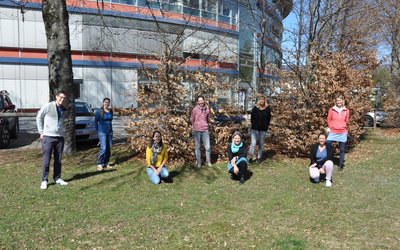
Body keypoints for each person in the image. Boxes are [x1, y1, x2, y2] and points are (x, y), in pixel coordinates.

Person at [36, 91, 69, 190]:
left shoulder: (63, 109)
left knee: (58, 160)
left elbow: (62, 123)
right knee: (46, 160)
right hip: (48, 137)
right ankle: (44, 180)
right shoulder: (48, 106)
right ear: (56, 97)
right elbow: (39, 117)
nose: (62, 99)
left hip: (59, 137)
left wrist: (63, 133)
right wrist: (41, 132)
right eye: (61, 97)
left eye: (64, 98)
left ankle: (57, 178)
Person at [327, 95, 350, 171]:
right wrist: (331, 127)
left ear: (343, 101)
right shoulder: (332, 110)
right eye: (337, 100)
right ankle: (327, 162)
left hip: (342, 132)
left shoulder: (346, 111)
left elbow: (346, 121)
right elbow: (329, 119)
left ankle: (340, 165)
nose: (339, 102)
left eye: (340, 100)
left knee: (342, 150)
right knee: (327, 146)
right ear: (336, 101)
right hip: (333, 132)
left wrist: (343, 127)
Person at [249, 95, 271, 163]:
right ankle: (250, 157)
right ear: (258, 101)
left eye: (263, 99)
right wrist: (254, 125)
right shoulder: (255, 108)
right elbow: (252, 118)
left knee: (261, 143)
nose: (262, 101)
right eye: (260, 99)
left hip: (263, 129)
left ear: (265, 101)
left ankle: (259, 158)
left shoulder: (267, 109)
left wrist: (266, 126)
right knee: (253, 143)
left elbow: (268, 119)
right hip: (255, 129)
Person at [191, 95, 212, 168]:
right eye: (199, 101)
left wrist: (205, 125)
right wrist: (193, 128)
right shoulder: (194, 110)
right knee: (197, 147)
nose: (200, 102)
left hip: (205, 130)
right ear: (197, 102)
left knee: (208, 147)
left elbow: (208, 119)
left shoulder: (207, 109)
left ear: (204, 101)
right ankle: (199, 162)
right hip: (197, 130)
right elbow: (192, 120)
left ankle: (208, 161)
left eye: (201, 100)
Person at [95, 97, 113, 171]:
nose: (107, 103)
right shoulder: (99, 111)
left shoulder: (110, 111)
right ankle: (99, 164)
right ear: (103, 102)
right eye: (105, 102)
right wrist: (98, 131)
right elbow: (95, 122)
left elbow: (110, 121)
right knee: (103, 148)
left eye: (108, 102)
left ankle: (106, 163)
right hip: (102, 132)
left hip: (110, 132)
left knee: (109, 148)